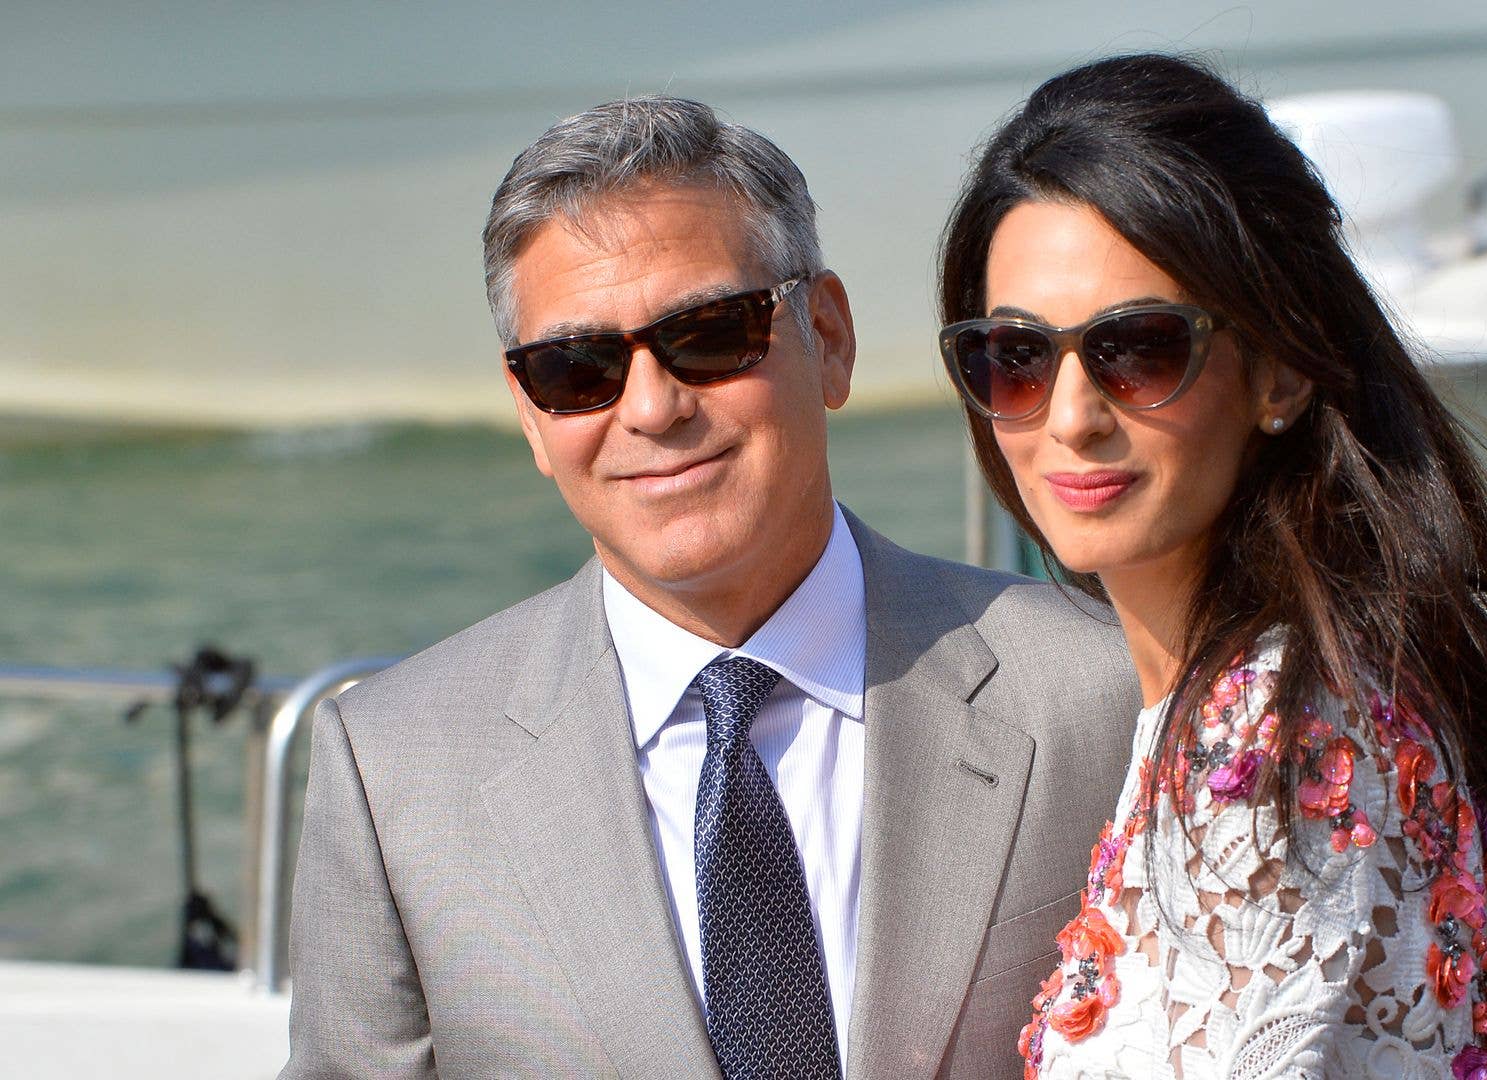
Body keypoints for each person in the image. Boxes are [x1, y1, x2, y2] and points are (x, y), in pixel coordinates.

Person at [282, 96, 1139, 1079]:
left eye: (709, 333)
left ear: (830, 334)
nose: (651, 407)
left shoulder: (1101, 690)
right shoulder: (396, 768)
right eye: (577, 367)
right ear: (529, 415)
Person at [936, 55, 1487, 1079]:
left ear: (1284, 369)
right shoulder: (1248, 702)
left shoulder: (1279, 743)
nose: (1070, 418)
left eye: (1139, 348)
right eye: (1018, 356)